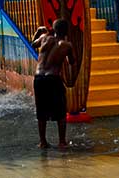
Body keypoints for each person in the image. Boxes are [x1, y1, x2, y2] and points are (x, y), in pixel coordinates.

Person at [32, 20, 75, 149]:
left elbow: (33, 44)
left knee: (41, 109)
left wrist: (38, 32)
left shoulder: (44, 38)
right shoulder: (66, 45)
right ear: (66, 31)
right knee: (61, 110)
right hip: (53, 78)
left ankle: (43, 142)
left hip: (39, 78)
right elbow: (72, 61)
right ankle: (62, 142)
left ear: (53, 29)